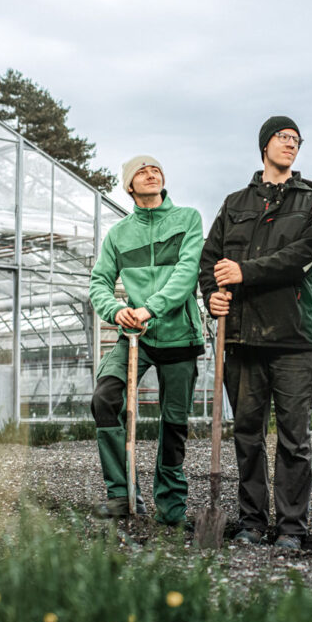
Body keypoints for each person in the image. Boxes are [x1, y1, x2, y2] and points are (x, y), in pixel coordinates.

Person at [199, 116, 312, 551]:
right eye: (283, 138)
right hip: (242, 340)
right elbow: (210, 259)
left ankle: (291, 527)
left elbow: (300, 256)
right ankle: (251, 521)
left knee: (294, 440)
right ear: (264, 145)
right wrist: (212, 296)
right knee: (247, 436)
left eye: (296, 139)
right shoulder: (234, 203)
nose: (291, 144)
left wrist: (244, 272)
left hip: (292, 339)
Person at [88, 155, 204, 527]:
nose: (151, 173)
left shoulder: (187, 219)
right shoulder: (119, 235)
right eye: (142, 171)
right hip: (134, 334)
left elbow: (186, 274)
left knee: (173, 423)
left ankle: (170, 506)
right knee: (105, 397)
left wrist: (150, 309)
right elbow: (99, 282)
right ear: (129, 187)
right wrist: (115, 310)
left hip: (178, 335)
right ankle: (122, 494)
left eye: (156, 169)